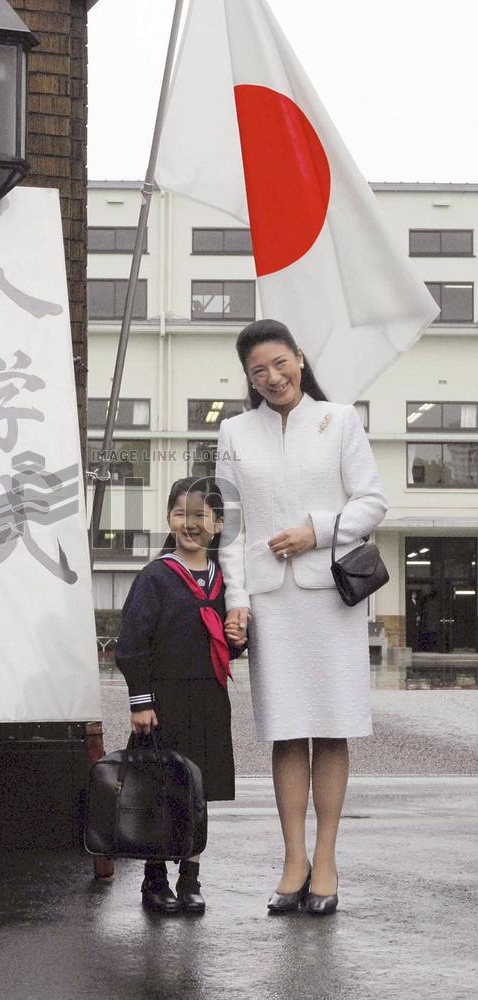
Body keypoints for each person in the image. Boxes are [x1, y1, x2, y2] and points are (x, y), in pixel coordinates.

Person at [216, 319, 387, 916]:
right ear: (249, 378)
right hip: (269, 600)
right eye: (258, 371)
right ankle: (294, 858)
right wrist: (236, 599)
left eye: (280, 363)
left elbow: (371, 502)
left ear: (299, 358)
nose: (272, 378)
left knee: (332, 725)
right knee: (286, 729)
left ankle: (328, 858)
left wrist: (316, 530)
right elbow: (230, 527)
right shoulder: (234, 431)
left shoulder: (338, 420)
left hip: (330, 596)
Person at [115, 477, 239, 914]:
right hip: (164, 702)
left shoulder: (227, 580)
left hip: (208, 699)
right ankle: (154, 878)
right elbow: (132, 642)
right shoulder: (156, 577)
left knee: (197, 794)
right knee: (159, 789)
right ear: (169, 519)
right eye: (180, 514)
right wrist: (141, 700)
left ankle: (190, 877)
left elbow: (229, 642)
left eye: (201, 515)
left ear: (219, 524)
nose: (190, 524)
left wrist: (239, 638)